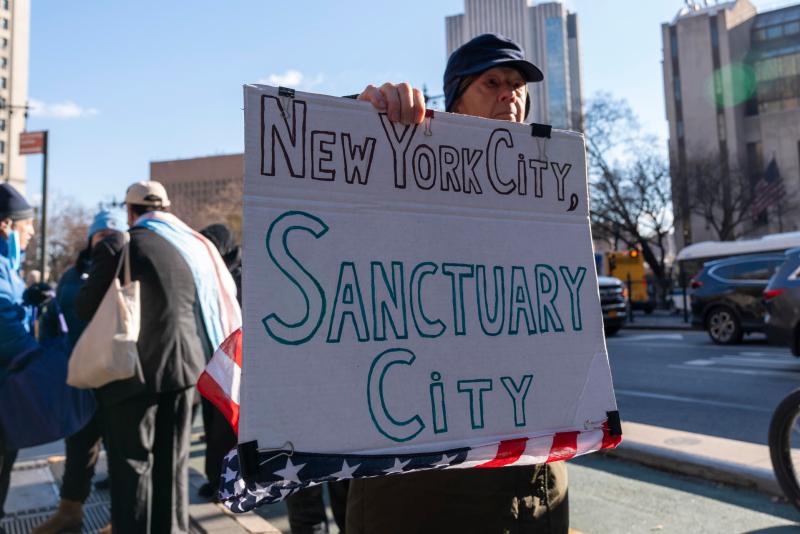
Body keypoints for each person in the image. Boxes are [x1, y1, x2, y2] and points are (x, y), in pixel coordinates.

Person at [347, 33, 569, 534]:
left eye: (517, 85)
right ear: (455, 99)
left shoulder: (548, 194)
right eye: (492, 82)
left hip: (533, 483)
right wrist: (359, 119)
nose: (509, 94)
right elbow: (339, 214)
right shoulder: (401, 175)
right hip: (425, 487)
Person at [76, 181, 240, 534]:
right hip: (186, 373)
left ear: (130, 211)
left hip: (132, 374)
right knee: (174, 467)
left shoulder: (121, 245)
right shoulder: (193, 247)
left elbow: (86, 306)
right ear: (166, 208)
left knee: (132, 469)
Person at [33, 209, 126, 534]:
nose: (105, 241)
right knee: (78, 447)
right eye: (100, 235)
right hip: (77, 373)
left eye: (112, 235)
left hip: (115, 376)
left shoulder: (128, 268)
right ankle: (69, 511)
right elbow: (54, 317)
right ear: (91, 238)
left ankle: (121, 518)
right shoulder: (72, 274)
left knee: (120, 452)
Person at [0, 183, 35, 530]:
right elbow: (7, 334)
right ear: (6, 226)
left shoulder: (9, 267)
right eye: (27, 226)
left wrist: (30, 304)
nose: (32, 233)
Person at [197, 223, 240, 499]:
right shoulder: (207, 274)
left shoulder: (240, 275)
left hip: (234, 364)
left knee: (226, 429)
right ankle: (215, 479)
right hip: (211, 360)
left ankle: (228, 484)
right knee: (211, 426)